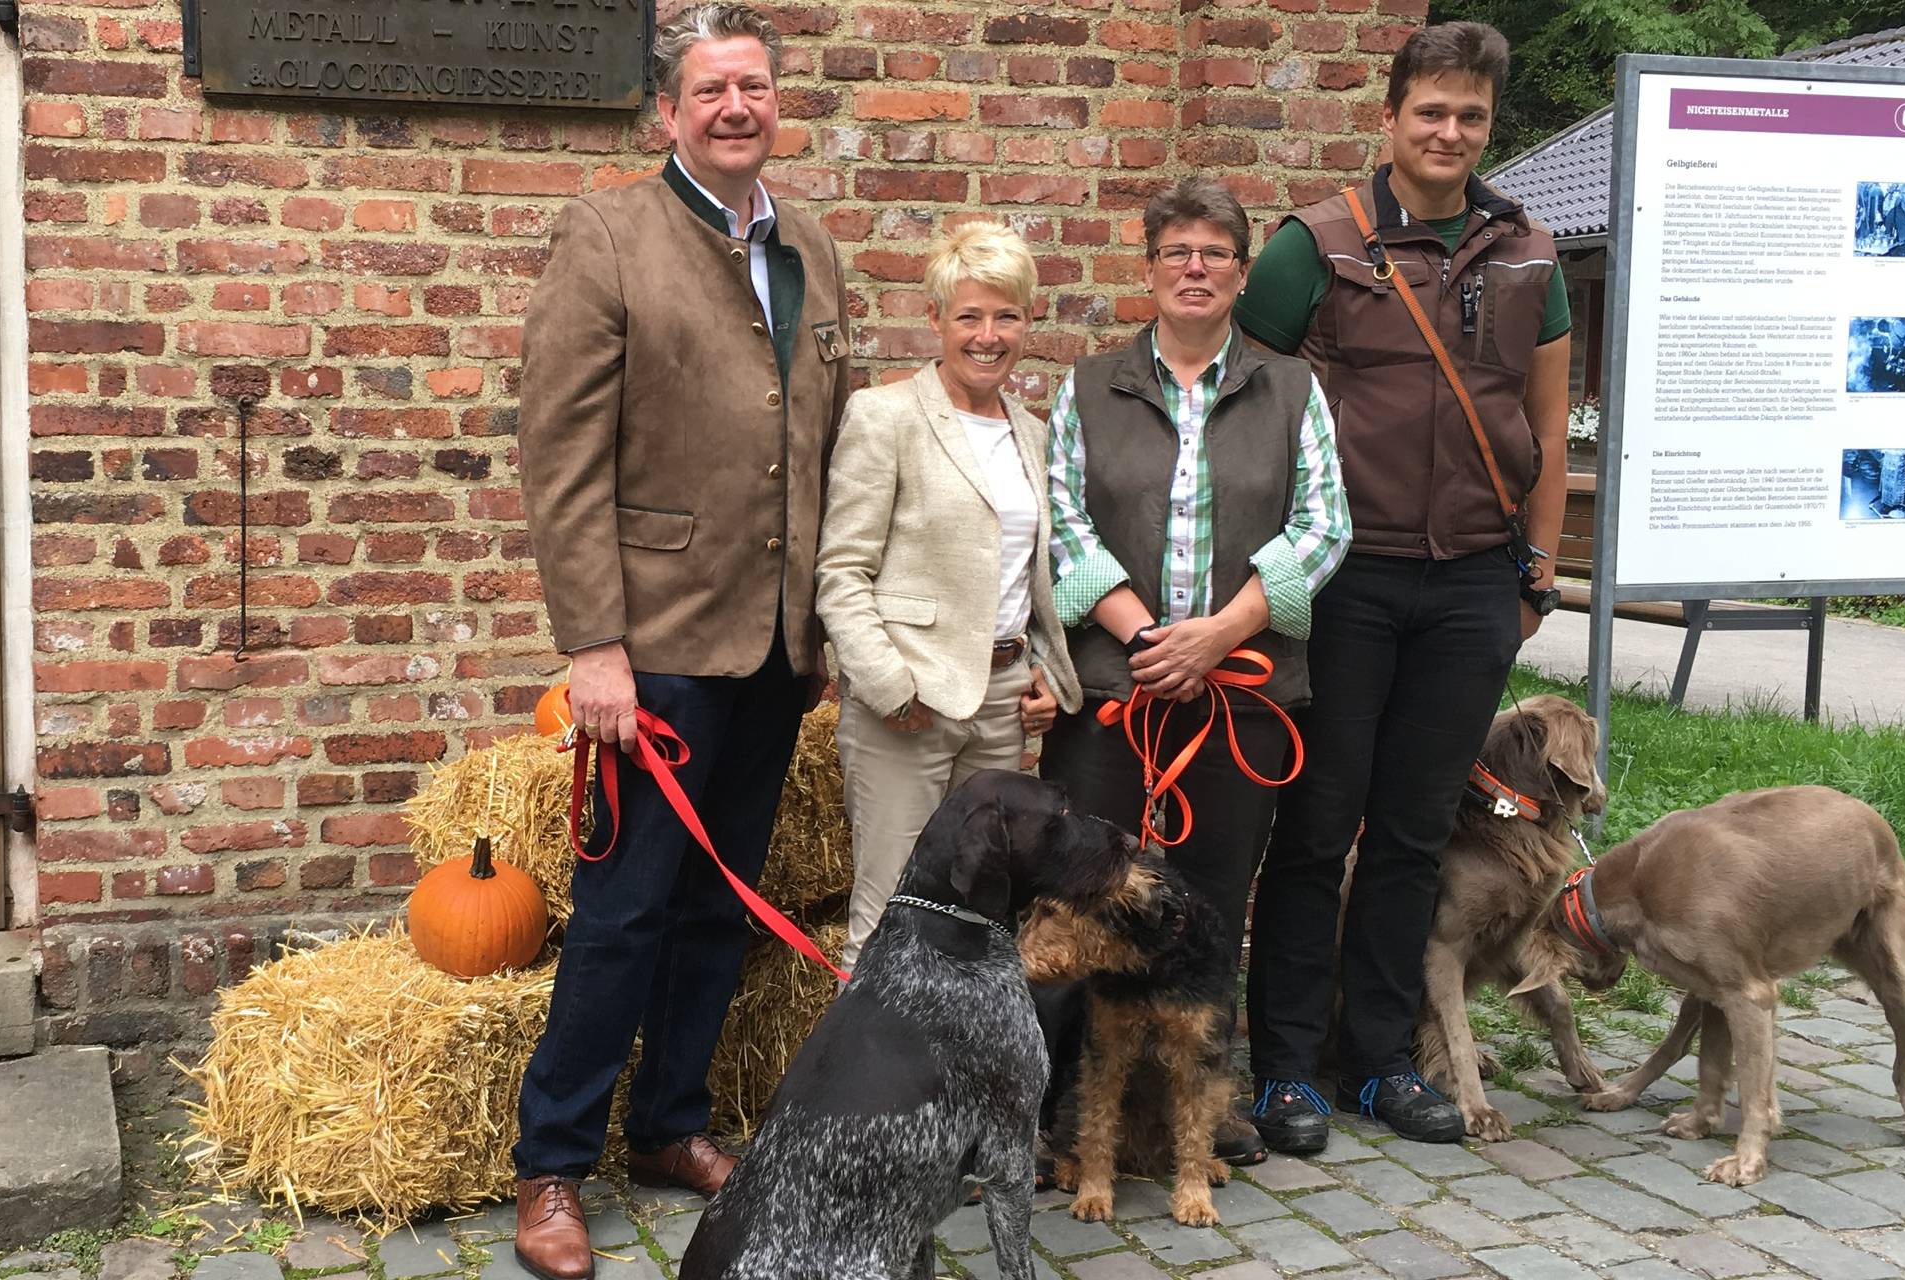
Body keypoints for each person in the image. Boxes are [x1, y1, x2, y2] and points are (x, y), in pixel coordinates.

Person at [509, 5, 851, 1278]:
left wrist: (824, 618)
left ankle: (668, 1125)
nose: (734, 108)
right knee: (623, 910)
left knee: (719, 904)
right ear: (667, 111)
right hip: (652, 646)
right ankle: (550, 1159)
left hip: (773, 648)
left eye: (753, 87)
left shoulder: (808, 241)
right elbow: (560, 454)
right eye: (709, 90)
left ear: (775, 100)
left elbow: (827, 438)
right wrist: (592, 644)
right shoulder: (606, 234)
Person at [1232, 19, 1572, 1153]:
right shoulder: (1310, 246)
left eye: (1468, 116)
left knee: (1414, 835)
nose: (1447, 131)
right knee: (1317, 824)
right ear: (1386, 118)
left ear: (1487, 127)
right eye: (1428, 111)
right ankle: (1283, 1063)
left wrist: (1532, 571)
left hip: (1472, 581)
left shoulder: (1529, 249)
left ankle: (1376, 1059)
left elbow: (1543, 425)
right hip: (1344, 578)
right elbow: (1245, 406)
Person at [1038, 176, 1349, 1165]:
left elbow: (1323, 522)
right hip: (1114, 695)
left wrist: (1216, 634)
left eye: (1214, 251)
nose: (1194, 268)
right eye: (1176, 250)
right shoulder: (1088, 385)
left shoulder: (1290, 388)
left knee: (1209, 903)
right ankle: (1055, 1116)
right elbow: (1062, 522)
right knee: (1081, 896)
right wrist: (1144, 640)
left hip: (1240, 689)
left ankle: (1202, 1108)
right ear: (1147, 269)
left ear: (1240, 271)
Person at [816, 221, 1082, 971]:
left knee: (979, 918)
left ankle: (954, 1087)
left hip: (1000, 707)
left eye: (1007, 316)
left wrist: (1043, 671)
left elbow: (1024, 574)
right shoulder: (886, 417)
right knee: (888, 912)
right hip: (908, 706)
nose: (988, 335)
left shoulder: (1032, 433)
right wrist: (888, 685)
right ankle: (859, 1091)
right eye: (969, 316)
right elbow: (840, 571)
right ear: (935, 321)